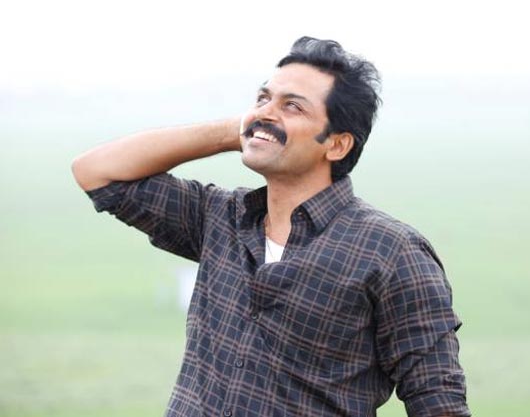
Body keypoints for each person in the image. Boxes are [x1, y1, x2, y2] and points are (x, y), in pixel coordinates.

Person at [72, 36, 470, 417]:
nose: (266, 111)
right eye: (263, 98)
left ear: (336, 144)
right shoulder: (218, 216)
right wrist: (241, 130)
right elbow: (96, 172)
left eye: (293, 106)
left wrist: (265, 124)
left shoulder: (392, 252)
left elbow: (439, 404)